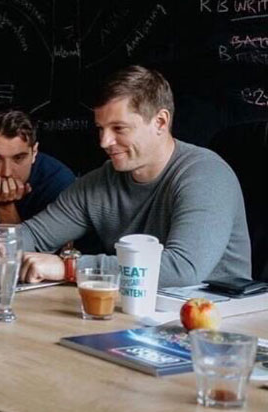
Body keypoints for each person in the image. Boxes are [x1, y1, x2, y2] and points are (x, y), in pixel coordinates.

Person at [19, 65, 251, 287]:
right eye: (101, 128)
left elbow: (182, 268)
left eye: (119, 129)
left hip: (215, 317)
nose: (104, 142)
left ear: (160, 122)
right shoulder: (100, 182)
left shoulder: (206, 174)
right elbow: (34, 235)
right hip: (139, 310)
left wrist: (69, 267)